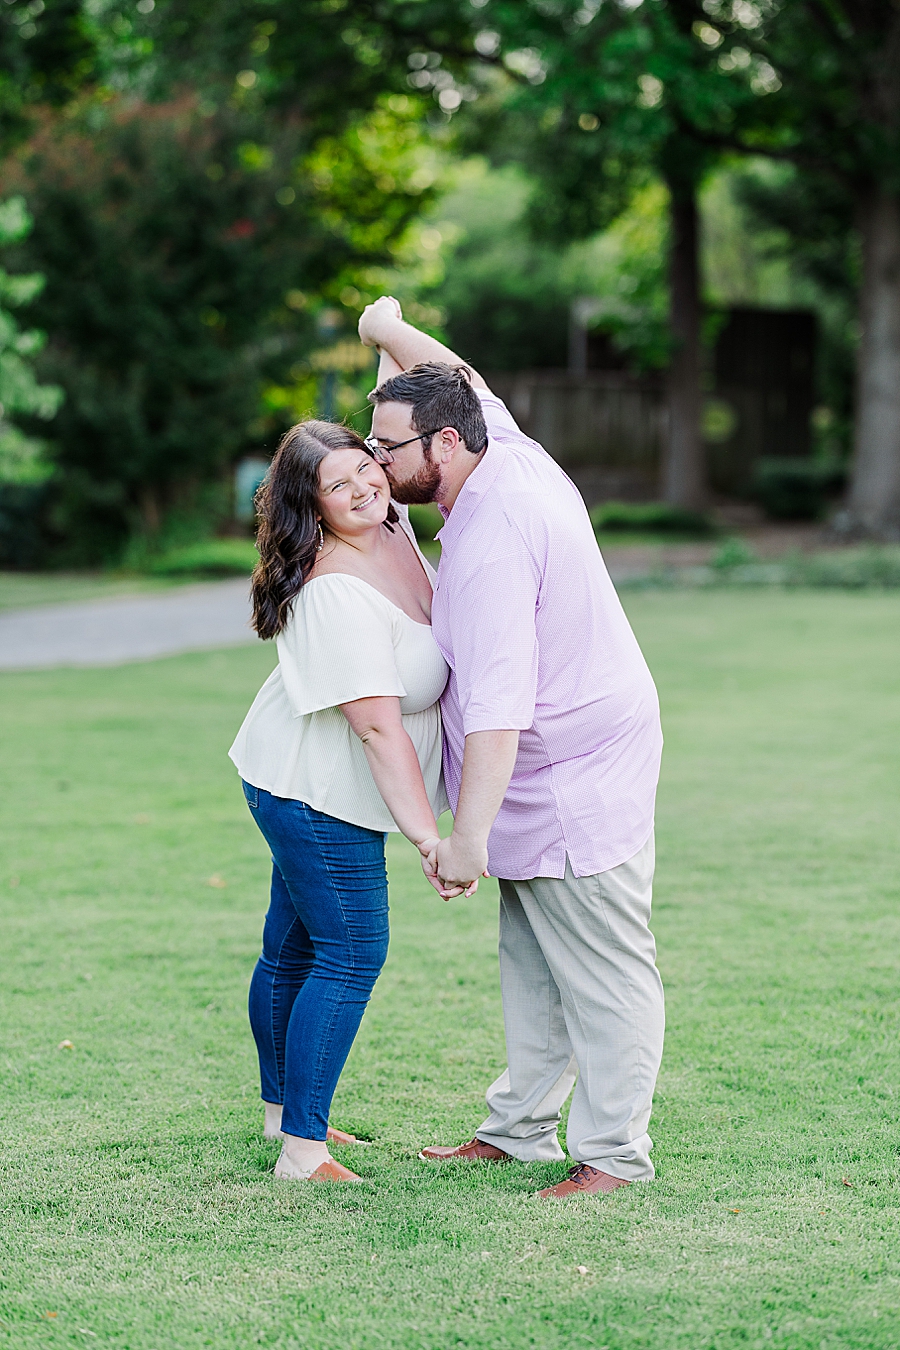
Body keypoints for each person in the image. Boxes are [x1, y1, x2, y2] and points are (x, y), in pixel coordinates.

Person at [357, 296, 665, 1199]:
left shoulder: (492, 539)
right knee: (531, 961)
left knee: (605, 971)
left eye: (389, 448)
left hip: (569, 771)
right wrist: (386, 329)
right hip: (546, 760)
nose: (376, 462)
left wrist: (466, 842)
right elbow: (464, 378)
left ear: (444, 447)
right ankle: (519, 1129)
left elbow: (498, 712)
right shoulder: (496, 445)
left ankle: (614, 1154)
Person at [229, 363, 478, 1185]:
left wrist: (384, 326)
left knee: (294, 946)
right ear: (314, 508)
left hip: (307, 774)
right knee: (348, 950)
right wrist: (428, 839)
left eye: (365, 465)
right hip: (313, 792)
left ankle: (282, 1116)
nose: (364, 486)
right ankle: (304, 1149)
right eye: (337, 486)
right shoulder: (334, 591)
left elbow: (408, 392)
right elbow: (376, 728)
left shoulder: (397, 528)